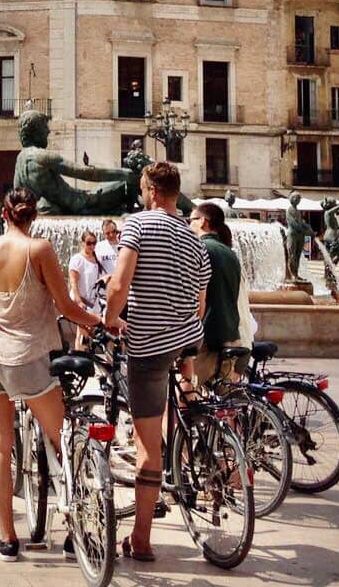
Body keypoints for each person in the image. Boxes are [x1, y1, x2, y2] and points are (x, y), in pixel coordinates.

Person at [0, 188, 101, 561]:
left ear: (5, 215)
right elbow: (66, 306)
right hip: (28, 357)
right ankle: (76, 531)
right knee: (64, 441)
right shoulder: (40, 249)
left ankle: (8, 540)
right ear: (34, 216)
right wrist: (101, 321)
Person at [104, 161, 210, 564]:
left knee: (149, 448)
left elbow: (120, 281)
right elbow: (200, 303)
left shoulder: (138, 225)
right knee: (171, 413)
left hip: (148, 346)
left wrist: (111, 319)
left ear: (149, 190)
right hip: (185, 342)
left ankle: (143, 538)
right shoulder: (194, 238)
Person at [189, 202, 242, 385]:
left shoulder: (199, 248)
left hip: (207, 337)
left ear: (202, 221)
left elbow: (193, 295)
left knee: (190, 393)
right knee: (224, 402)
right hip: (230, 333)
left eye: (191, 220)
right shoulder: (230, 253)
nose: (189, 224)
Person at [67, 230, 105, 347]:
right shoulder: (77, 259)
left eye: (94, 243)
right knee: (82, 334)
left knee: (91, 335)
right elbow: (73, 281)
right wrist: (78, 301)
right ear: (82, 243)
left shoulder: (98, 258)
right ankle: (80, 358)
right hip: (83, 302)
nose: (92, 246)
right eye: (89, 243)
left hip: (95, 304)